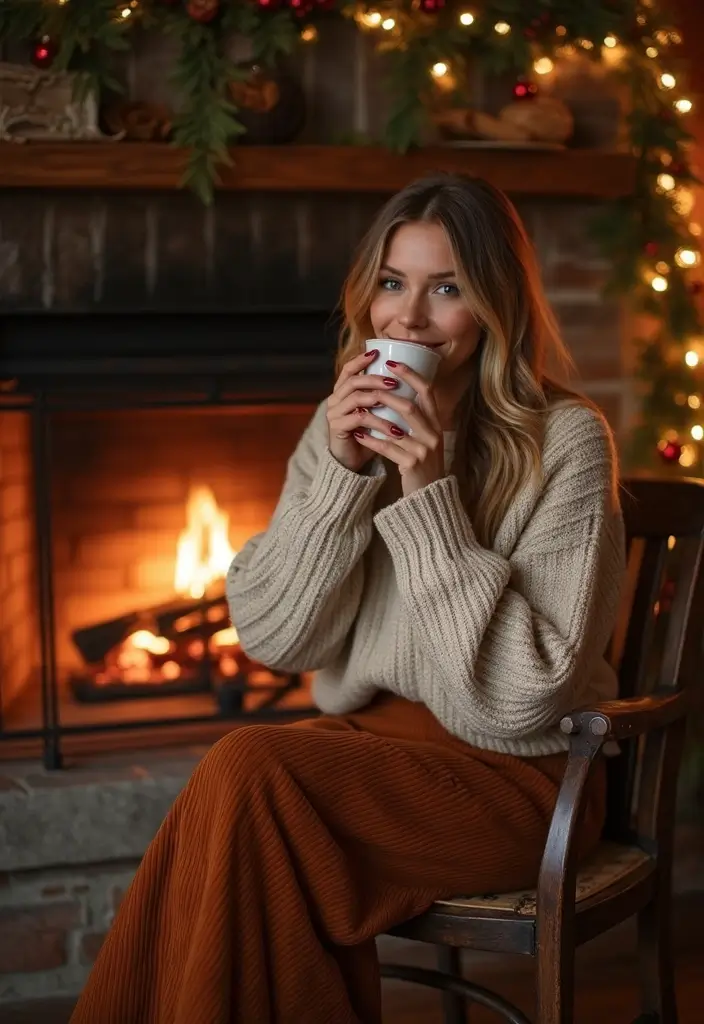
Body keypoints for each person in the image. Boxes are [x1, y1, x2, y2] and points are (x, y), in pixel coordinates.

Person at [70, 173, 625, 1024]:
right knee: (244, 793)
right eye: (392, 284)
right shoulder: (340, 432)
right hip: (367, 753)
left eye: (447, 289)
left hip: (523, 780)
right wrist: (340, 478)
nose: (407, 319)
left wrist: (428, 490)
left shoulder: (569, 441)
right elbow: (273, 637)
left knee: (250, 773)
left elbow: (523, 700)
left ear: (494, 306)